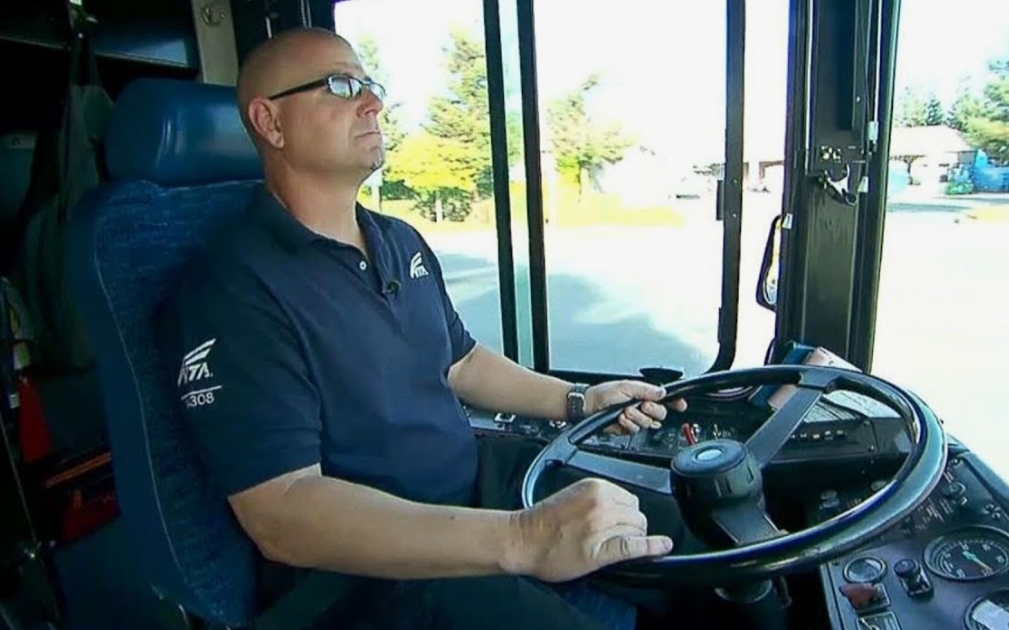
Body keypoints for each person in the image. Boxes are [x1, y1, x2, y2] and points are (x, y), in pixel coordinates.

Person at [157, 26, 694, 630]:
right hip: (370, 568)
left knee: (693, 537)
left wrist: (579, 400)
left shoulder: (398, 239)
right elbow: (282, 512)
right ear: (270, 122)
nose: (373, 103)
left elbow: (459, 362)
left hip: (475, 484)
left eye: (371, 85)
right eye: (341, 86)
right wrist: (522, 538)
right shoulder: (231, 289)